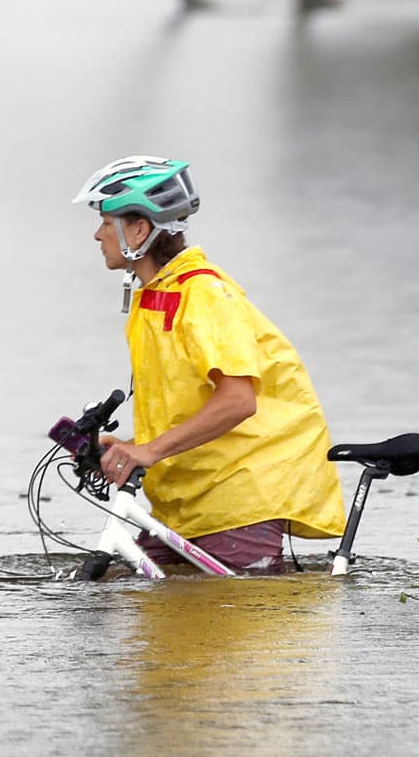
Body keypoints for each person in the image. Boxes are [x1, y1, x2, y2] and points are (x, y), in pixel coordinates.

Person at [73, 155, 346, 574]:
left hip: (241, 492)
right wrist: (126, 446)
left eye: (106, 223)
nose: (97, 235)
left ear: (139, 229)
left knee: (234, 614)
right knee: (152, 606)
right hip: (190, 496)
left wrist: (148, 450)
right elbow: (183, 402)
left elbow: (238, 401)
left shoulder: (203, 295)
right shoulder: (155, 297)